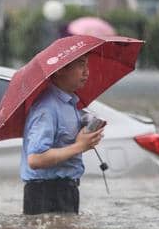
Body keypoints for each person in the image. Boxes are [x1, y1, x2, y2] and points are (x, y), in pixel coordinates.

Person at [20, 55, 104, 215]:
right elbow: (35, 159)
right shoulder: (46, 108)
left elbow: (66, 143)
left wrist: (87, 136)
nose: (87, 72)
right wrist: (80, 146)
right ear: (59, 70)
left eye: (87, 65)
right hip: (45, 193)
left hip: (66, 189)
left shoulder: (70, 104)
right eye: (80, 65)